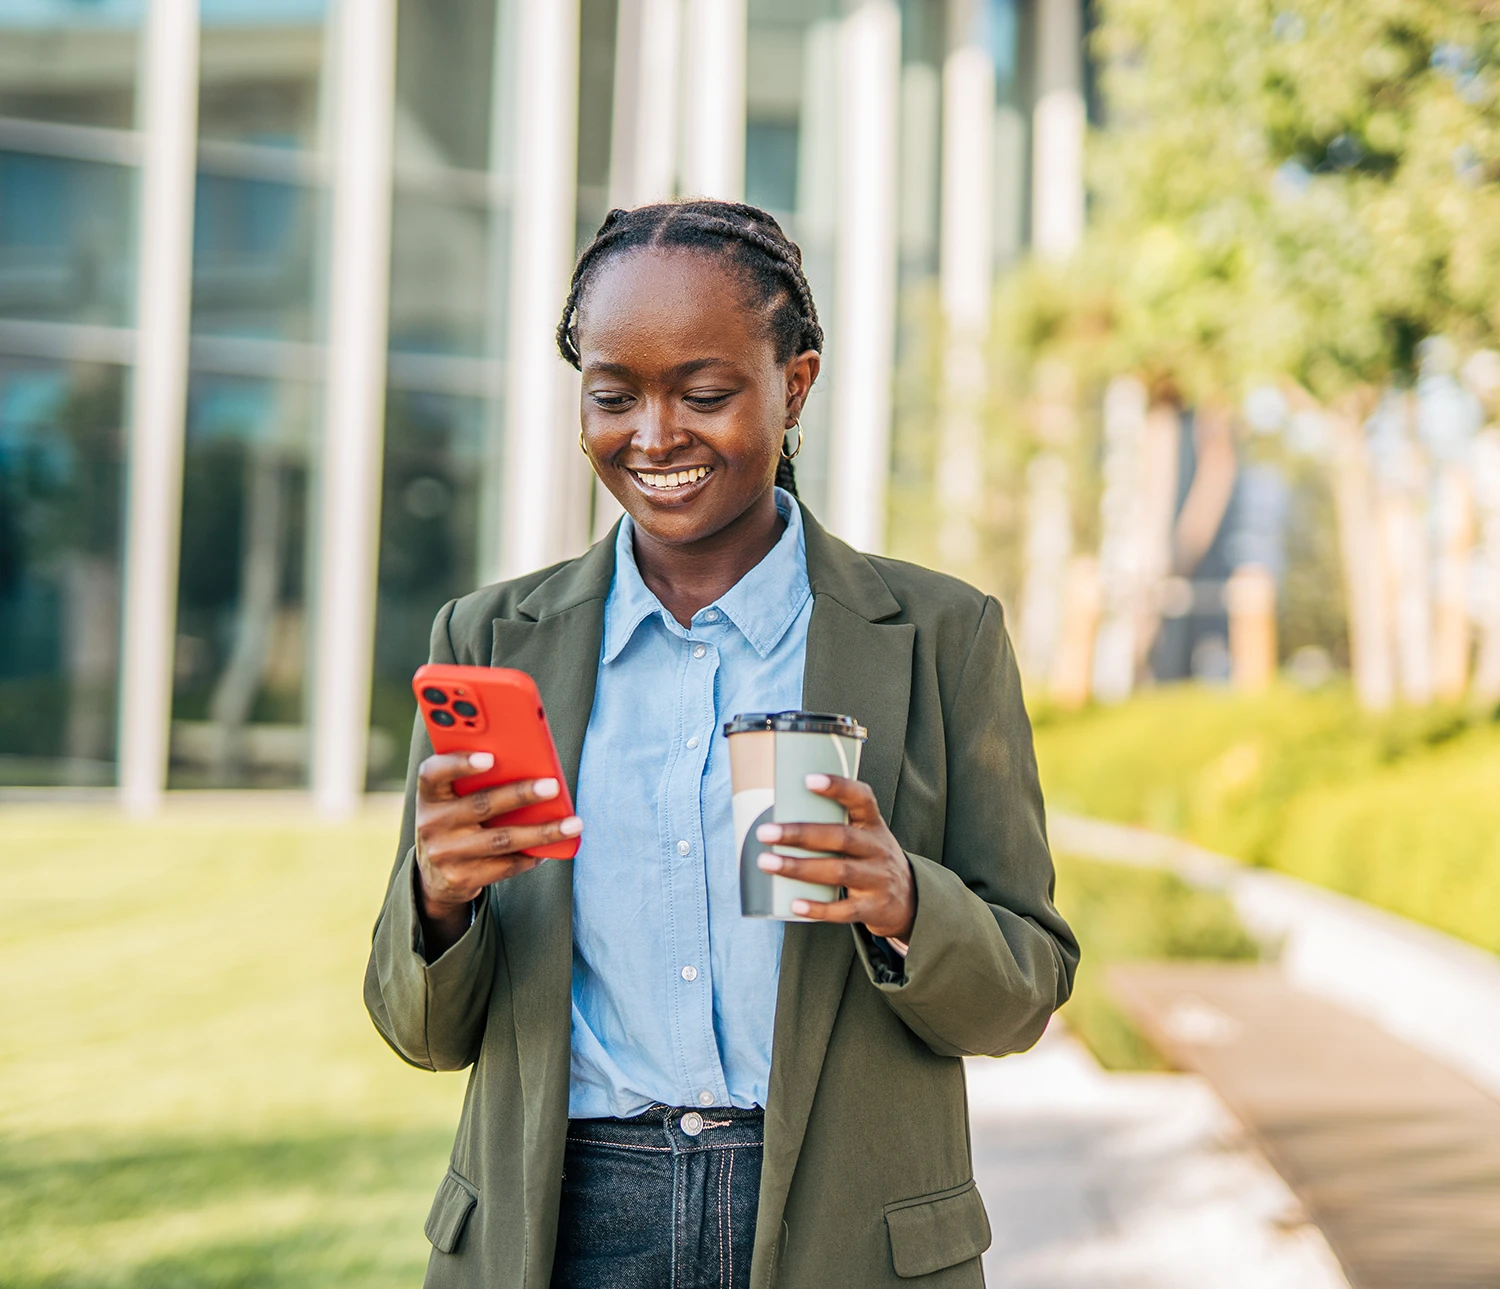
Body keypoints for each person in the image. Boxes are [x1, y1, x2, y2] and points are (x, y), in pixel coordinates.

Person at [365, 199, 1079, 1289]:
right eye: (612, 395)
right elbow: (420, 1029)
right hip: (568, 1223)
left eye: (703, 393)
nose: (653, 436)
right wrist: (439, 902)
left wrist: (901, 900)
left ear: (795, 385)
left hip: (840, 1225)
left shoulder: (940, 635)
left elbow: (1024, 988)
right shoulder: (492, 641)